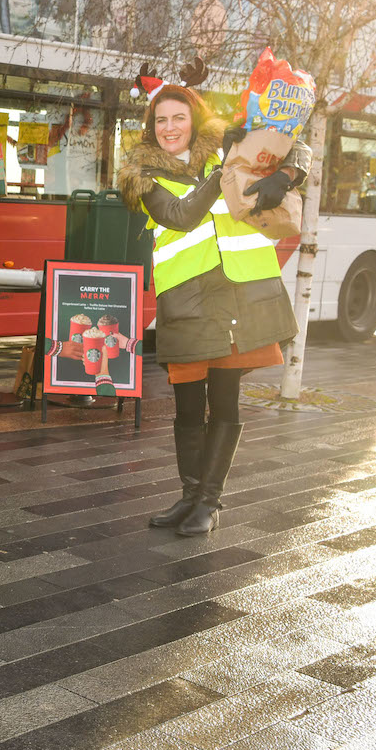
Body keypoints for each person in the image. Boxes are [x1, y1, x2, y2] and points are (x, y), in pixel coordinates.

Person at [116, 81, 308, 536]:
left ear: (194, 119)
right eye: (160, 120)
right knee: (186, 406)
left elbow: (295, 142)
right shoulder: (143, 172)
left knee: (223, 400)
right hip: (186, 301)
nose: (169, 127)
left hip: (240, 293)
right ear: (151, 128)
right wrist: (221, 171)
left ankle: (208, 502)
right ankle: (188, 497)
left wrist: (286, 176)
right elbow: (180, 216)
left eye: (178, 117)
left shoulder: (231, 145)